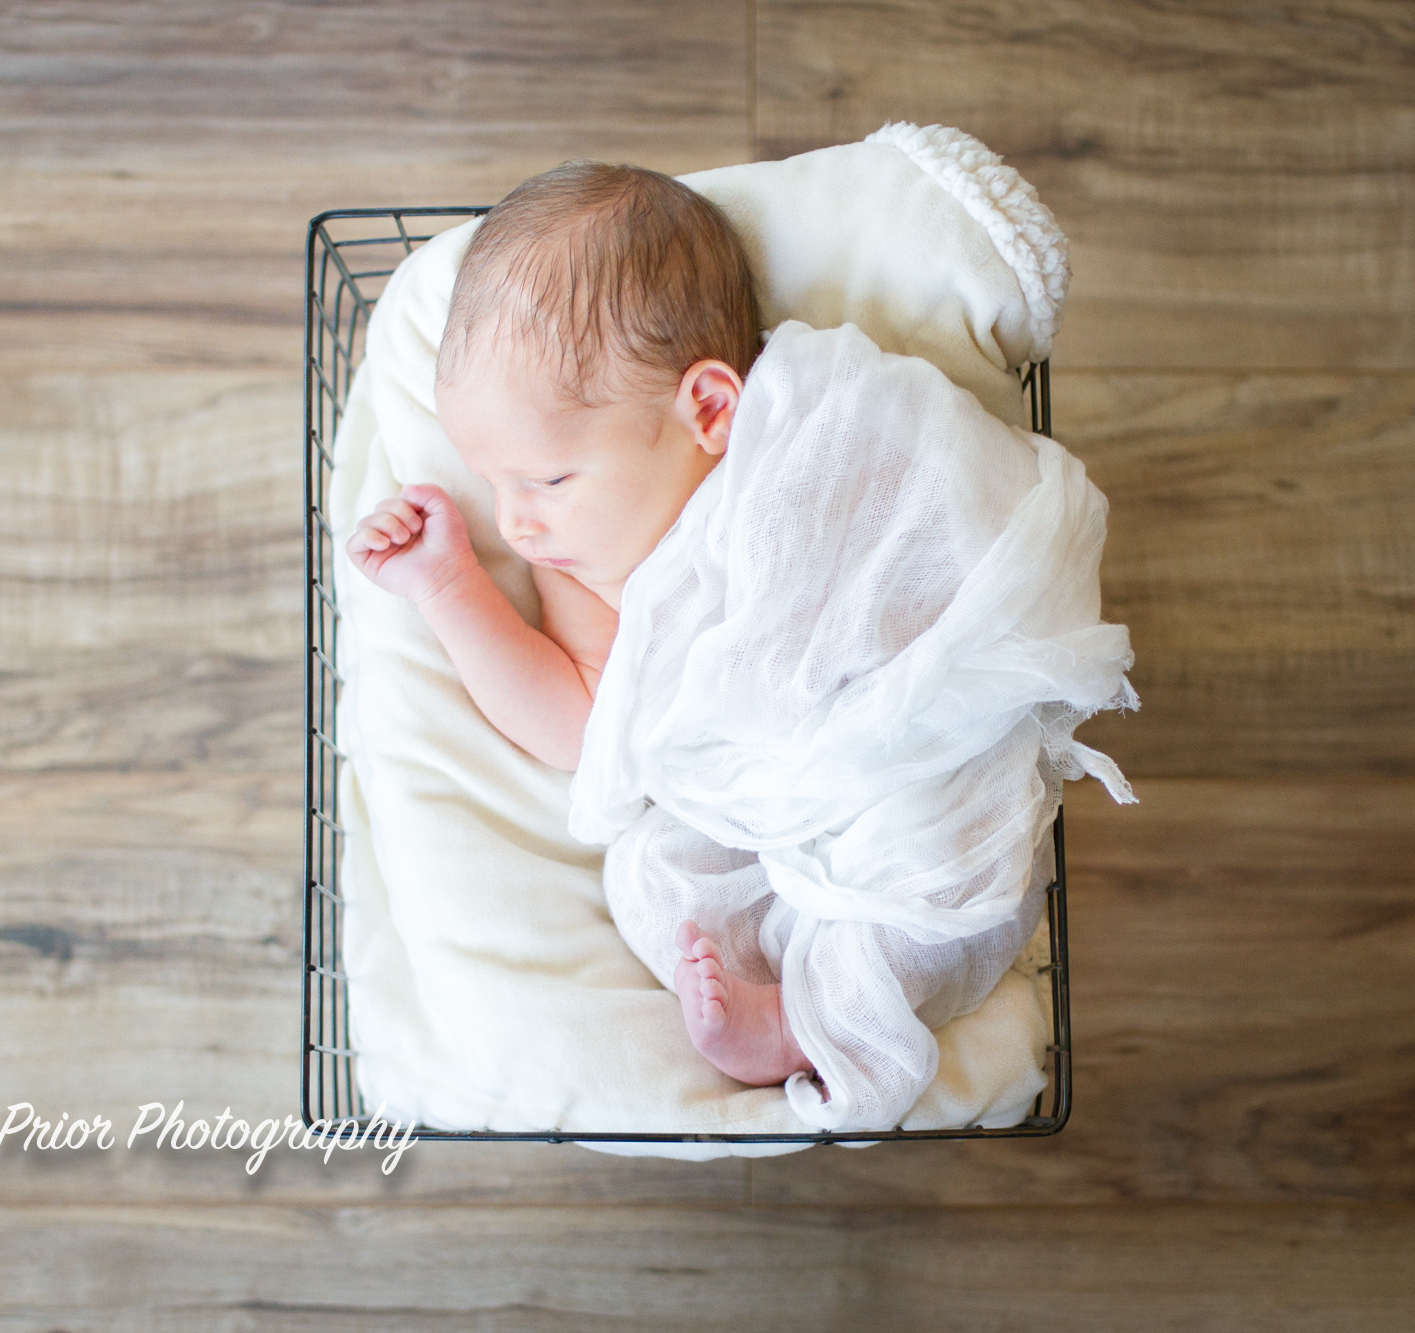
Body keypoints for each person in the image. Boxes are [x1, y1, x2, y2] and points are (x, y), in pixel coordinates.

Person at [345, 158, 1124, 1126]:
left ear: (710, 409)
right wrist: (449, 587)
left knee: (961, 877)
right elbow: (581, 725)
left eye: (545, 481)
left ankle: (823, 1016)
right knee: (650, 881)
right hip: (768, 804)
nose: (514, 521)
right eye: (494, 483)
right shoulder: (588, 568)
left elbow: (944, 503)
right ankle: (792, 1005)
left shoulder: (816, 427)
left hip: (919, 749)